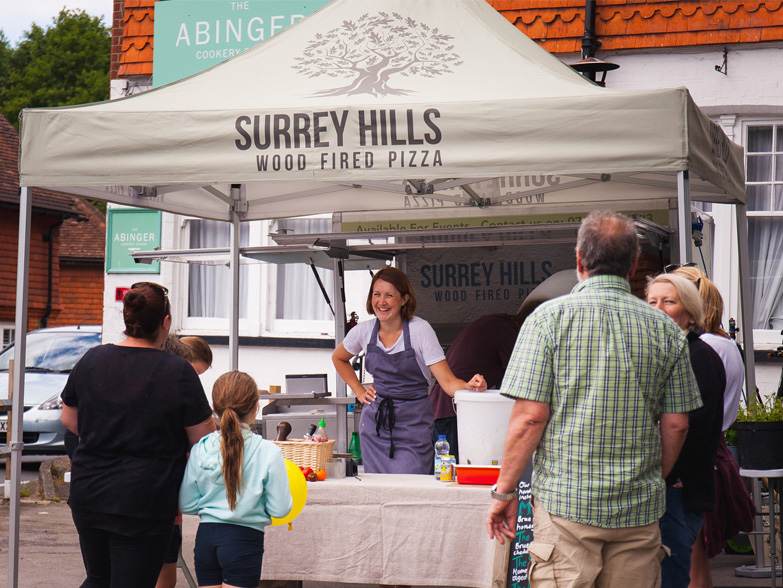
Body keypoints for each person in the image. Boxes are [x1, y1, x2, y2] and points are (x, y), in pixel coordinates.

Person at [486, 210, 702, 588]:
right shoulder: (666, 329)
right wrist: (653, 478)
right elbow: (677, 423)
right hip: (638, 509)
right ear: (634, 265)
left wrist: (503, 492)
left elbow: (529, 418)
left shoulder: (547, 319)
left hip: (567, 509)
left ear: (579, 259)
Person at [61, 282, 216, 588]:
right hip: (145, 500)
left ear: (127, 319)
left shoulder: (92, 359)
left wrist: (105, 430)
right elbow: (203, 437)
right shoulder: (177, 371)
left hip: (89, 494)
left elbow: (69, 418)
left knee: (98, 579)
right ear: (166, 323)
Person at [332, 266, 487, 474]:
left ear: (404, 299)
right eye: (376, 295)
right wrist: (359, 392)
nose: (382, 302)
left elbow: (448, 383)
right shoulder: (364, 331)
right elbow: (339, 358)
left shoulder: (420, 330)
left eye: (389, 295)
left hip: (413, 426)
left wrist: (470, 386)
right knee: (377, 492)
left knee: (411, 488)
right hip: (375, 426)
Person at [429, 270, 578, 462]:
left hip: (449, 406)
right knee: (453, 470)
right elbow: (520, 378)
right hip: (454, 409)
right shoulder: (508, 333)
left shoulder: (497, 322)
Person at [670, 265, 755, 588]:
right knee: (697, 558)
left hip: (699, 455)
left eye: (669, 300)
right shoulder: (725, 345)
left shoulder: (703, 349)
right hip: (713, 452)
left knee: (691, 559)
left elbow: (690, 417)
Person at [647, 273, 726, 587]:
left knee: (669, 577)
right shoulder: (657, 355)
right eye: (652, 301)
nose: (658, 308)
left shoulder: (700, 358)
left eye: (669, 301)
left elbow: (692, 432)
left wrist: (662, 476)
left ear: (690, 311)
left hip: (678, 490)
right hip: (657, 488)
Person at [179, 371, 293, 588]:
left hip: (206, 538)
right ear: (256, 407)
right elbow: (280, 509)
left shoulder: (201, 448)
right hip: (244, 539)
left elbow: (186, 503)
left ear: (214, 409)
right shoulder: (268, 451)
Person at [157, 334, 214, 588]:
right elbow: (204, 435)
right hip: (161, 494)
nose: (194, 380)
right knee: (163, 561)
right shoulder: (173, 383)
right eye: (194, 372)